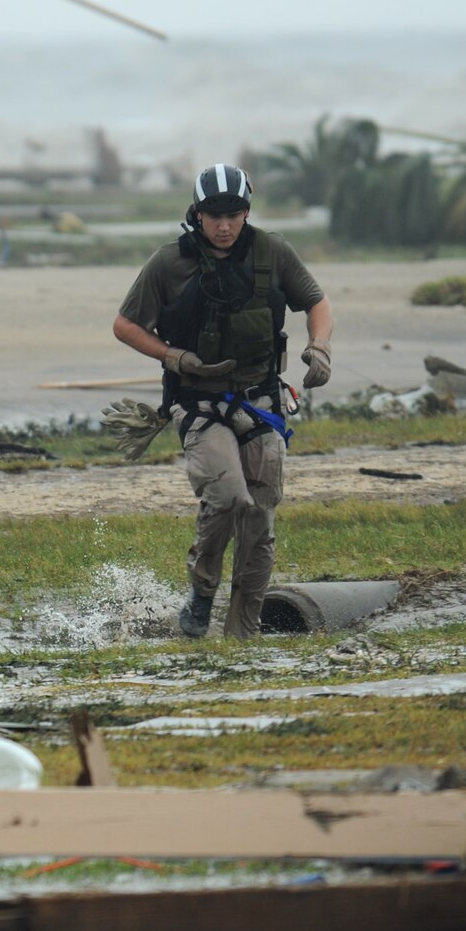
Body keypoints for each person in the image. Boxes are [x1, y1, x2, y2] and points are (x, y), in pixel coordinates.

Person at [111, 163, 333, 639]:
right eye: (214, 215)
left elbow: (317, 303)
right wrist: (175, 356)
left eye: (233, 213)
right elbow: (125, 326)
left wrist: (321, 347)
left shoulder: (273, 252)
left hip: (262, 404)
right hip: (199, 406)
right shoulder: (168, 263)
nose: (225, 224)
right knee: (229, 497)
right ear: (196, 214)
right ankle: (202, 589)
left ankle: (242, 636)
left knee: (259, 517)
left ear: (247, 211)